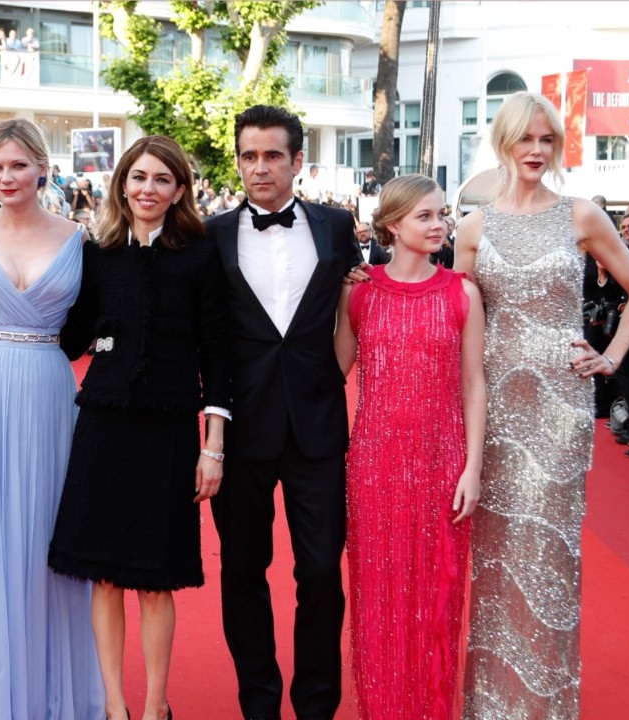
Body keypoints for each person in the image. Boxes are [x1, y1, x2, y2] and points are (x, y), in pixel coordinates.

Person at [447, 91, 629, 718]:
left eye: (546, 140)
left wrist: (610, 356)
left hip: (560, 409)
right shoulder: (475, 227)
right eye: (525, 138)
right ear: (504, 141)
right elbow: (457, 317)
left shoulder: (581, 215)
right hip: (495, 406)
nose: (536, 150)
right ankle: (492, 704)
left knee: (549, 557)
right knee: (496, 554)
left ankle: (545, 706)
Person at [48, 136, 230, 720]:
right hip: (103, 425)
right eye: (139, 177)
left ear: (179, 191)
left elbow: (216, 353)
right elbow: (76, 337)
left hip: (168, 431)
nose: (148, 189)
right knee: (102, 577)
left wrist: (213, 445)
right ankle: (113, 705)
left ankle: (155, 707)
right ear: (121, 184)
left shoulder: (200, 254)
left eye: (161, 179)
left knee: (155, 581)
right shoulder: (98, 253)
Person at [0, 118, 105, 719]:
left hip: (47, 390)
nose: (6, 177)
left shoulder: (80, 239)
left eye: (17, 165)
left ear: (42, 168)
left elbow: (98, 322)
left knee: (46, 536)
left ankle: (51, 694)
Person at [206, 104, 360, 720]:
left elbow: (353, 310)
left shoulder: (336, 226)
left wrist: (333, 379)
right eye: (249, 156)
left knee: (320, 571)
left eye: (273, 155)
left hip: (317, 426)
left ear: (298, 161)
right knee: (243, 571)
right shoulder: (212, 234)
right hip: (240, 425)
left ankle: (316, 706)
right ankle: (260, 706)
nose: (260, 167)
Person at [334, 174, 485, 719]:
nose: (440, 225)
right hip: (374, 466)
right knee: (380, 598)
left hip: (443, 465)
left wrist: (472, 468)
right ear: (392, 225)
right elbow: (332, 373)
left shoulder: (462, 292)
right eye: (426, 215)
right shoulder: (359, 291)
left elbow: (474, 384)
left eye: (442, 214)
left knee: (437, 602)